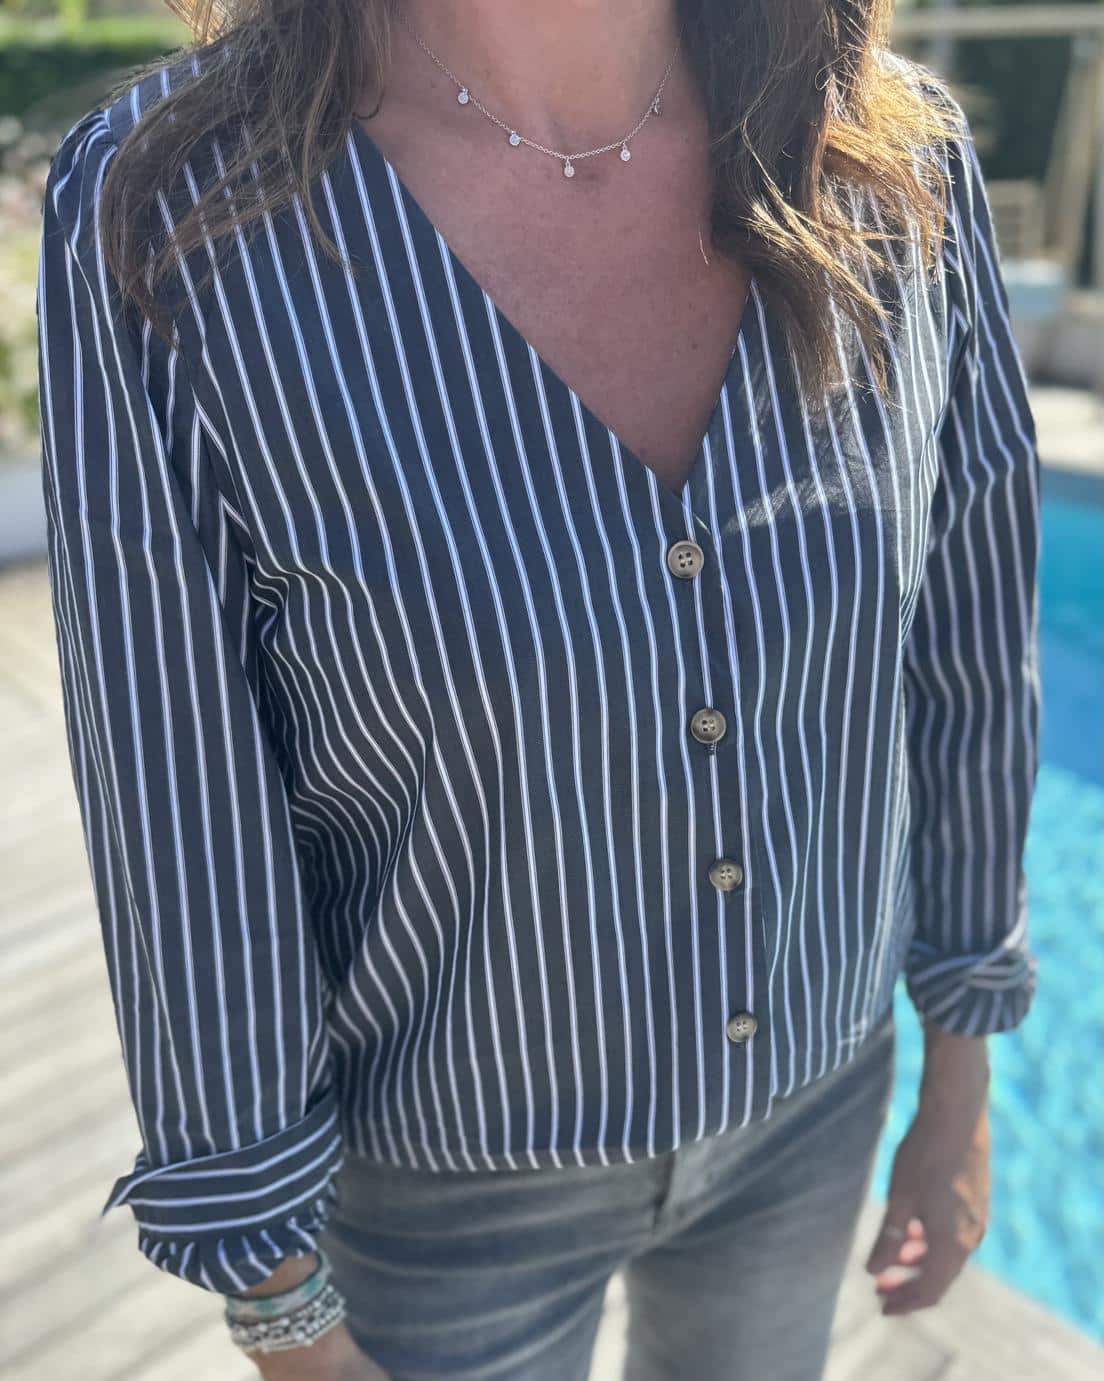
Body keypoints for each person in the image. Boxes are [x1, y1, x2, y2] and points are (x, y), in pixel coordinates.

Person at [36, 1, 1041, 1378]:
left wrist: (963, 1064)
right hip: (440, 1195)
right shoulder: (167, 209)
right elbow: (177, 784)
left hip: (814, 1108)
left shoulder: (894, 165)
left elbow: (973, 644)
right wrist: (279, 1298)